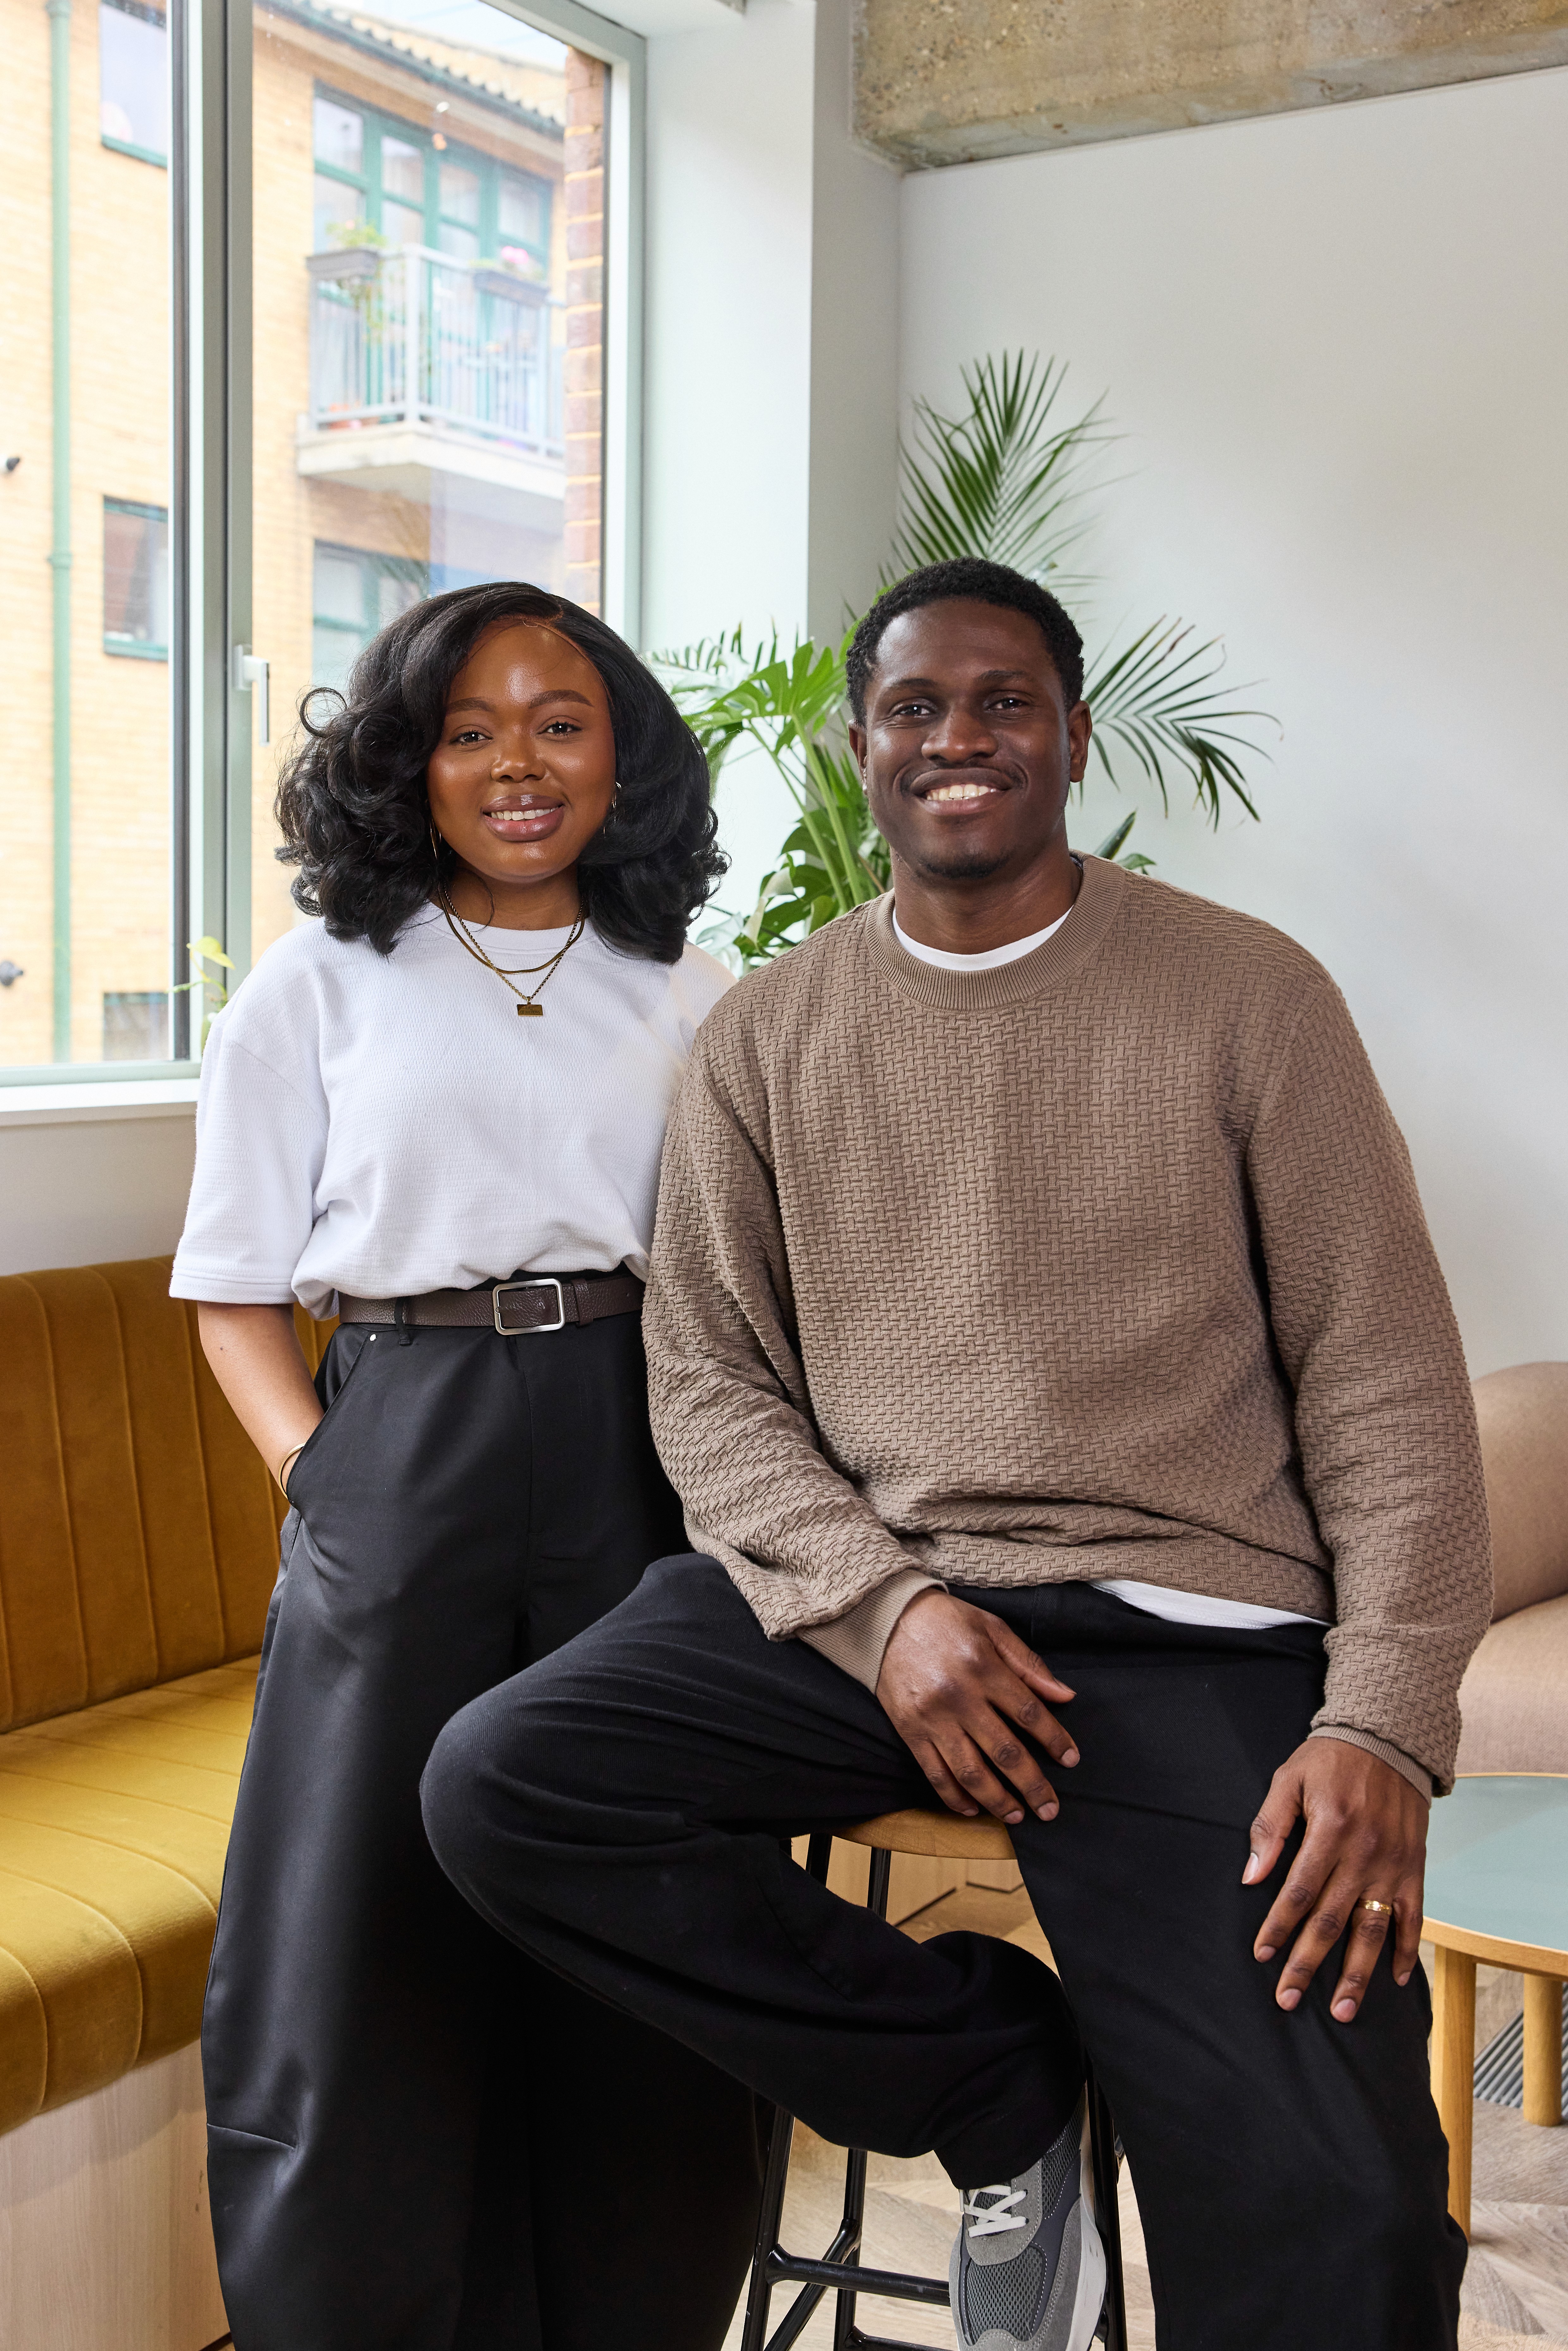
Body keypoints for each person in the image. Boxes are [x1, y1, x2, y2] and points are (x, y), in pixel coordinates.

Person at [419, 556, 1492, 2351]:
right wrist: (883, 1608)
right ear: (861, 754)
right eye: (916, 709)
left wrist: (1380, 1716)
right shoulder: (766, 1036)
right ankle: (997, 2085)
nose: (960, 739)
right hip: (885, 1617)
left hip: (1189, 1628)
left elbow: (1384, 1383)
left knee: (1347, 2226)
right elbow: (714, 1389)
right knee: (508, 1786)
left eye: (1004, 702)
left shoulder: (1249, 998)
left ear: (1073, 734)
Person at [170, 582, 763, 2351]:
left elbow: (747, 1277)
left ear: (621, 754)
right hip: (399, 1439)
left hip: (639, 1440)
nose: (519, 766)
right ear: (407, 763)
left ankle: (630, 2313)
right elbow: (228, 1292)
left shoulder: (695, 989)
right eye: (470, 730)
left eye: (561, 724)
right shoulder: (321, 981)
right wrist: (318, 1482)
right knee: (360, 1923)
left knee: (632, 1892)